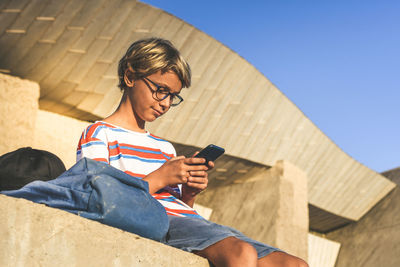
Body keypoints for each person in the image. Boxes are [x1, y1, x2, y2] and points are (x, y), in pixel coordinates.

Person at [77, 38, 308, 267]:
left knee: (295, 264)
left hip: (192, 224)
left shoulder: (164, 148)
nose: (166, 103)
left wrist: (189, 192)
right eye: (160, 90)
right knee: (241, 255)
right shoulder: (98, 134)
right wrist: (161, 177)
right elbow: (99, 199)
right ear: (130, 77)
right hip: (156, 222)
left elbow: (182, 210)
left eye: (172, 96)